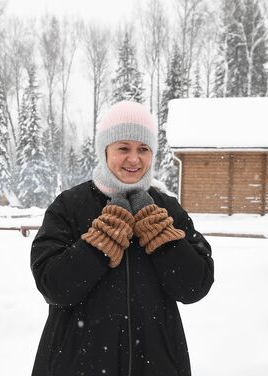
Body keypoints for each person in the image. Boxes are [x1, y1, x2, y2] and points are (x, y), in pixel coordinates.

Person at [30, 100, 214, 376]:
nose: (134, 159)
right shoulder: (69, 206)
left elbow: (194, 286)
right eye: (123, 148)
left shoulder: (167, 209)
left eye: (143, 149)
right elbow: (54, 287)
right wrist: (100, 242)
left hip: (156, 365)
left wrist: (162, 237)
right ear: (105, 151)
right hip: (77, 366)